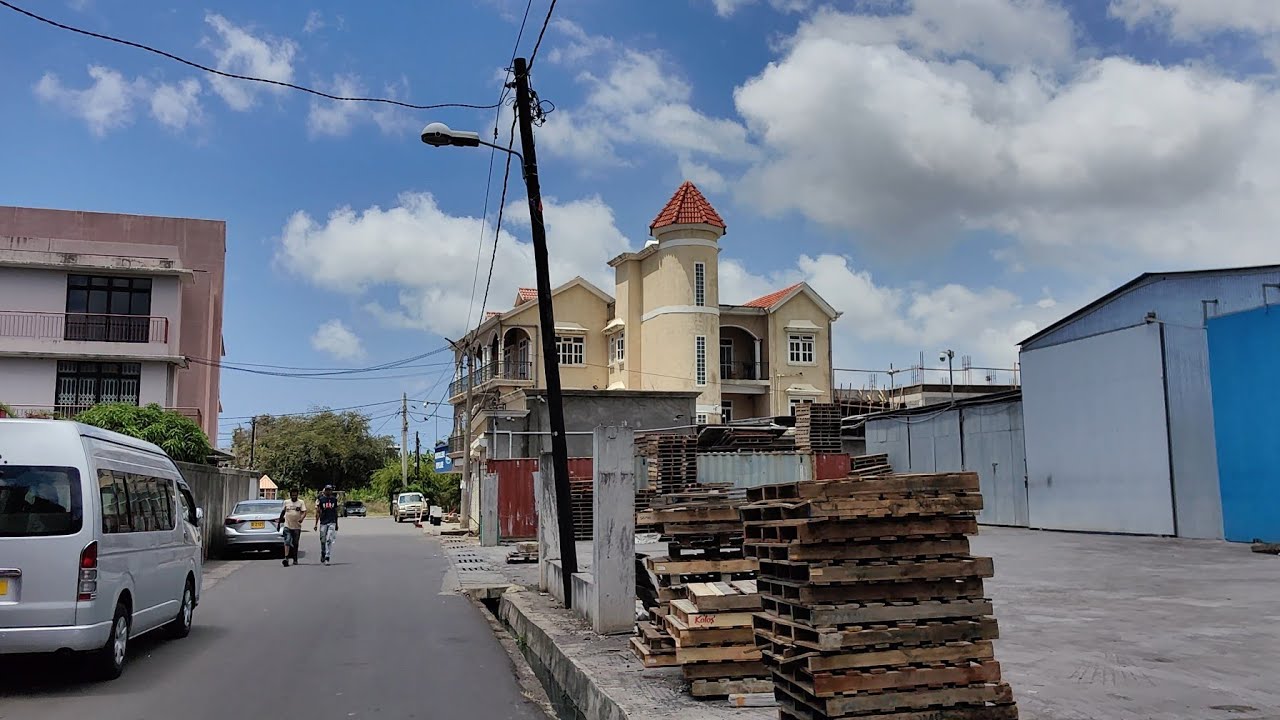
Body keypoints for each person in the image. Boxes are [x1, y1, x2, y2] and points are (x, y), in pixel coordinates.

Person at [278, 488, 306, 567]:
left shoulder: (301, 502)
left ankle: (295, 559)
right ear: (290, 495)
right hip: (287, 525)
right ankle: (286, 558)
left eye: (295, 495)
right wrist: (279, 523)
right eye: (292, 495)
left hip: (297, 527)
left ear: (297, 495)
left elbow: (304, 512)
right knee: (287, 541)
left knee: (295, 543)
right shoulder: (286, 502)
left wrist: (302, 518)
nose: (294, 496)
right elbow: (283, 512)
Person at [314, 485, 340, 565]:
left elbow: (336, 512)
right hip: (323, 522)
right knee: (323, 540)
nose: (328, 491)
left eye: (330, 490)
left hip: (331, 522)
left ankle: (327, 556)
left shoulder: (334, 500)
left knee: (329, 539)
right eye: (327, 490)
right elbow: (318, 512)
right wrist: (316, 523)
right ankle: (323, 552)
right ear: (324, 491)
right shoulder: (321, 500)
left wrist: (336, 524)